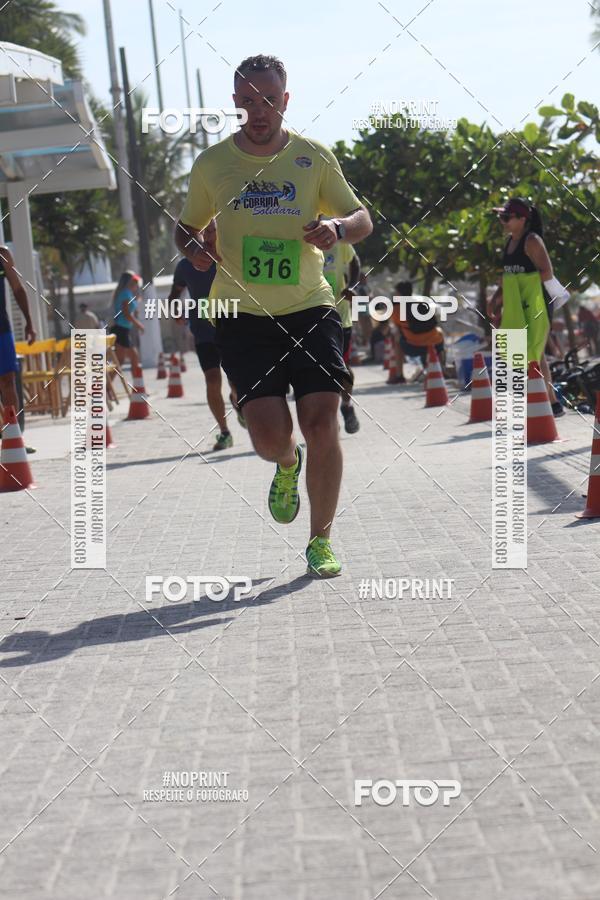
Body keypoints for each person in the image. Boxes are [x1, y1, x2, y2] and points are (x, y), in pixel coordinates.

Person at [175, 54, 373, 577]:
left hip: (311, 306)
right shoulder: (213, 164)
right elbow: (187, 226)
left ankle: (321, 540)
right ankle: (287, 464)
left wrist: (337, 227)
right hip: (241, 315)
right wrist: (195, 249)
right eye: (248, 100)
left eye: (269, 99)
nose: (259, 110)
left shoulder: (313, 157)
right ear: (236, 102)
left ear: (285, 101)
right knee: (268, 438)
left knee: (321, 421)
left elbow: (362, 218)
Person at [169, 223, 245, 451]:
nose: (207, 235)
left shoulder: (228, 258)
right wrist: (176, 312)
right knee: (212, 380)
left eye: (212, 230)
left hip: (229, 327)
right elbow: (175, 293)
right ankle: (224, 432)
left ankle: (238, 403)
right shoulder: (184, 266)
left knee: (235, 382)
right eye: (203, 231)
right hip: (202, 331)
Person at [491, 197, 569, 417]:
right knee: (527, 351)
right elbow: (506, 276)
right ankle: (551, 403)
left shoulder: (531, 240)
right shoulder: (509, 242)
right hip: (517, 303)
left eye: (506, 217)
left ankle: (545, 403)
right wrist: (497, 297)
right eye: (501, 217)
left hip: (537, 302)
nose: (502, 221)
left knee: (533, 351)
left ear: (522, 219)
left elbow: (547, 271)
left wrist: (522, 284)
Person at [322, 236, 360, 432]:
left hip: (339, 315)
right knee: (318, 370)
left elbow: (354, 260)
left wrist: (352, 286)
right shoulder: (294, 235)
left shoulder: (332, 237)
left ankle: (346, 405)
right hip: (309, 315)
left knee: (343, 367)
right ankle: (329, 418)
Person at [0, 245, 36, 448]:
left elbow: (17, 288)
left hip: (1, 329)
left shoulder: (2, 254)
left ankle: (14, 438)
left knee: (7, 381)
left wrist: (29, 322)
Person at [390, 281, 444, 376]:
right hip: (435, 345)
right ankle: (442, 370)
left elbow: (398, 328)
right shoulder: (422, 303)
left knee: (397, 337)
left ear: (399, 294)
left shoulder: (396, 309)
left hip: (413, 346)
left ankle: (399, 375)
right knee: (440, 332)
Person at [109, 271, 144, 369]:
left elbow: (129, 310)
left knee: (120, 360)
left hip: (122, 329)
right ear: (129, 281)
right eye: (134, 280)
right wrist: (139, 325)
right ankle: (137, 383)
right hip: (120, 329)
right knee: (133, 357)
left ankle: (107, 384)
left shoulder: (126, 293)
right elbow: (126, 313)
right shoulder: (125, 293)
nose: (136, 284)